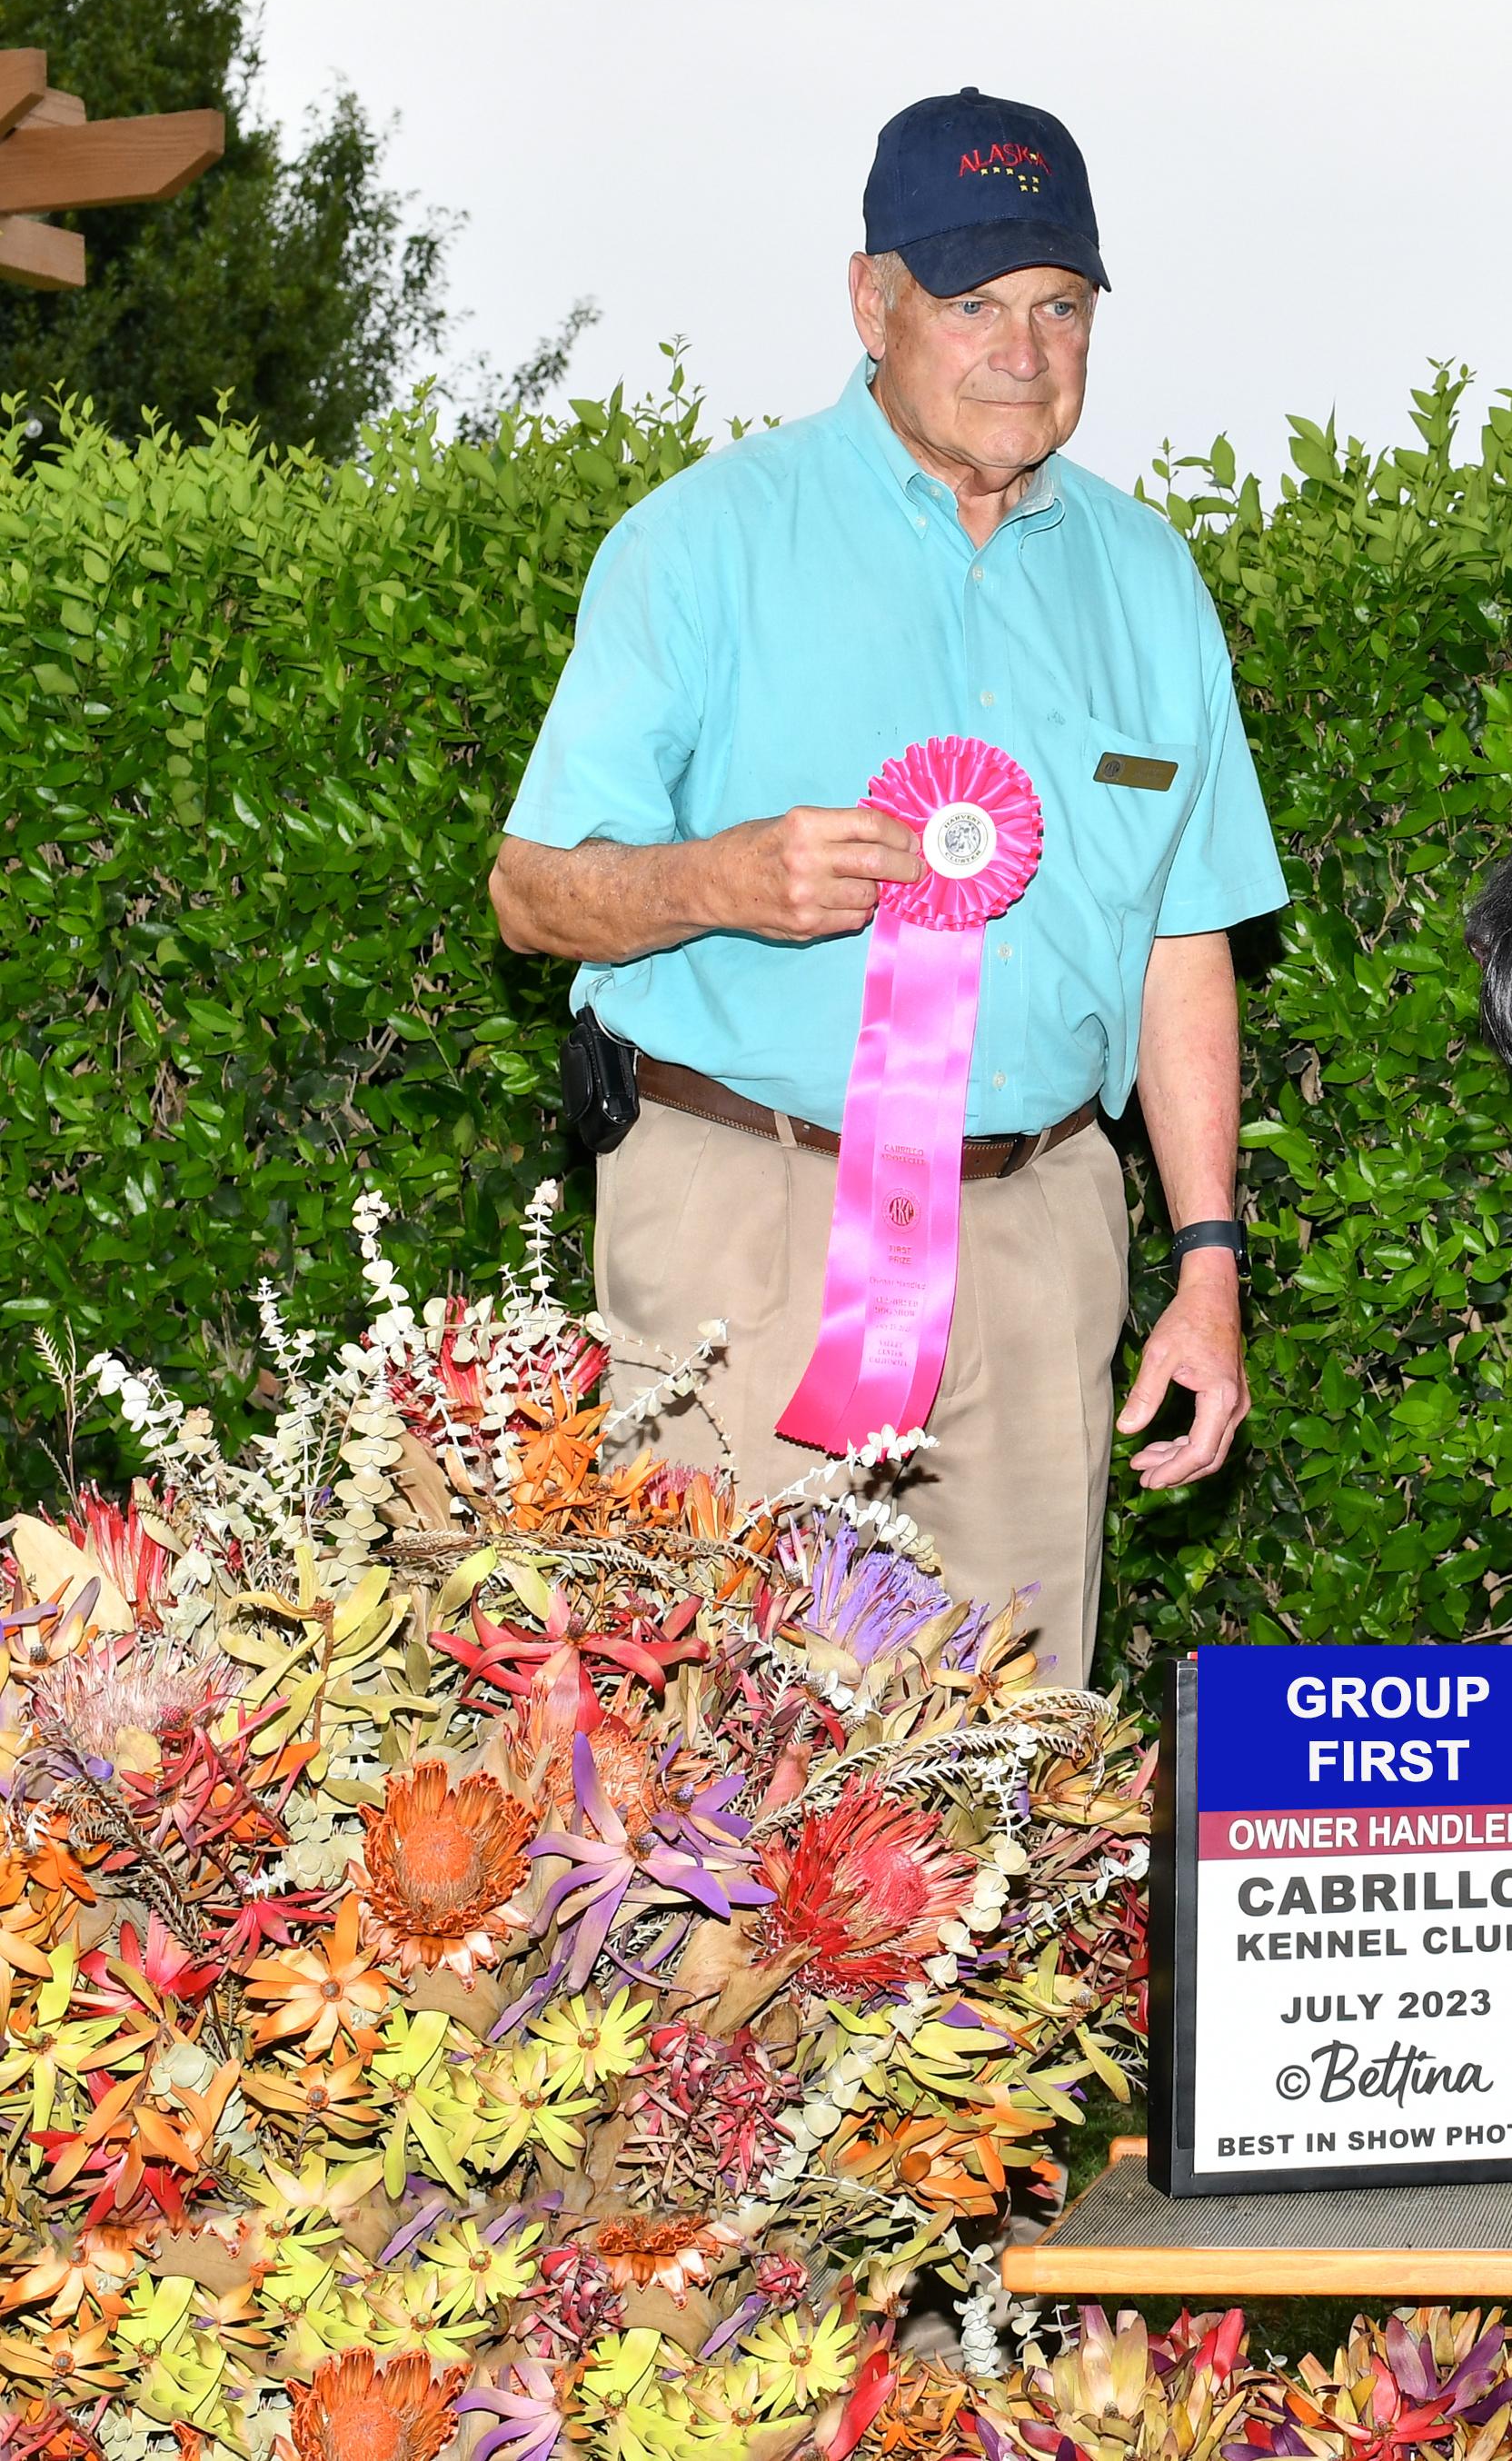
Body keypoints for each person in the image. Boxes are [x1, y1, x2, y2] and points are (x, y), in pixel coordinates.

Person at [490, 88, 1287, 1679]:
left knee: (1013, 1745)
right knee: (717, 1740)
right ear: (872, 301)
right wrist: (720, 878)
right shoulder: (700, 543)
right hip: (749, 1217)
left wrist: (1208, 1261)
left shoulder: (1151, 580)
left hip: (1046, 1235)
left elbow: (1183, 943)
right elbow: (531, 893)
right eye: (975, 302)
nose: (1024, 350)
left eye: (1060, 306)